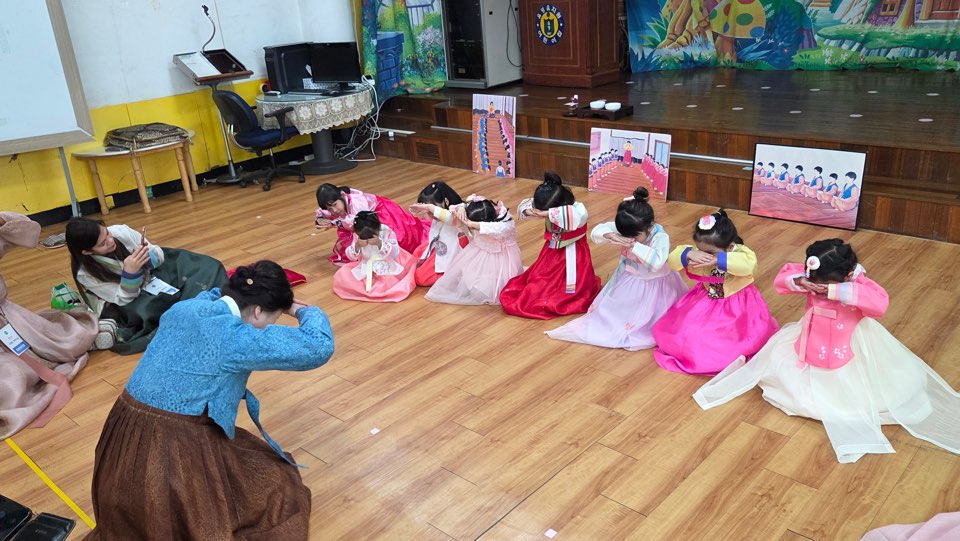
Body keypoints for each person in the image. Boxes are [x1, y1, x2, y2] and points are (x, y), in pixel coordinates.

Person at [86, 261, 335, 540]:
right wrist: (303, 310)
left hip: (122, 432)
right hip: (169, 447)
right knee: (268, 488)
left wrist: (253, 294)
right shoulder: (235, 338)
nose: (271, 325)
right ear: (257, 311)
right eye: (273, 318)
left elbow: (214, 294)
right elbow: (318, 346)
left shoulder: (185, 308)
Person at [693, 239, 960, 463]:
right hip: (811, 335)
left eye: (826, 284)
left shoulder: (858, 284)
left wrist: (840, 291)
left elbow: (879, 304)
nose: (819, 289)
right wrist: (800, 281)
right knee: (787, 363)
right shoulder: (810, 275)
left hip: (850, 341)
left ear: (847, 275)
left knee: (855, 381)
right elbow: (782, 279)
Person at [546, 188, 687, 350]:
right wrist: (610, 235)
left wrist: (634, 246)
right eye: (625, 235)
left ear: (649, 226)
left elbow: (657, 263)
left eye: (634, 236)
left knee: (650, 315)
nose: (629, 238)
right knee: (615, 312)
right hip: (629, 279)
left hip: (655, 284)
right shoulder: (630, 226)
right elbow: (597, 232)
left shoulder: (659, 236)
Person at [0, 213, 100, 440]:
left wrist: (2, 221)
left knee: (68, 343)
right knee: (12, 380)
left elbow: (29, 233)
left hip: (11, 321)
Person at [65, 217, 227, 354]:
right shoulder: (85, 273)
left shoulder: (120, 231)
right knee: (148, 309)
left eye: (107, 233)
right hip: (131, 295)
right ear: (87, 252)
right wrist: (130, 274)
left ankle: (190, 309)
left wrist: (147, 256)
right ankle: (193, 308)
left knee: (208, 266)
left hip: (154, 272)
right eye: (102, 244)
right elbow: (122, 298)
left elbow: (158, 254)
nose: (110, 240)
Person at [651, 209, 778, 375]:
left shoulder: (741, 253)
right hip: (705, 299)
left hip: (737, 305)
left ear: (730, 246)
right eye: (700, 249)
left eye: (709, 252)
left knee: (724, 341)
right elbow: (673, 261)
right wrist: (690, 253)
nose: (703, 255)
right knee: (687, 331)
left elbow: (748, 266)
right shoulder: (702, 250)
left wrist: (719, 260)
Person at [499, 172, 601, 319]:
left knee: (572, 281)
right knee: (543, 276)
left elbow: (574, 218)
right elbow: (524, 207)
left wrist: (547, 214)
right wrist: (532, 211)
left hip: (573, 251)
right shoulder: (552, 199)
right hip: (551, 249)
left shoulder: (578, 210)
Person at [424, 196, 523, 305]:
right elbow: (451, 212)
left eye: (474, 228)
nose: (472, 230)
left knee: (492, 286)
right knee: (471, 279)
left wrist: (473, 224)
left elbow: (498, 228)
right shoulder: (476, 210)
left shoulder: (506, 224)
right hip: (481, 252)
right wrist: (461, 208)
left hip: (503, 258)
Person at [315, 183, 429, 266]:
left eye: (335, 205)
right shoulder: (338, 199)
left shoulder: (357, 202)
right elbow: (325, 212)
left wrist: (334, 223)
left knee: (401, 238)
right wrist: (320, 219)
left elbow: (354, 223)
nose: (334, 210)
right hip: (363, 220)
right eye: (330, 208)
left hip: (380, 215)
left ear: (342, 195)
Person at [332, 211, 416, 302]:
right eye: (363, 236)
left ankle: (382, 290)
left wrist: (380, 244)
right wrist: (357, 246)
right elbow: (351, 257)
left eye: (371, 236)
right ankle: (367, 289)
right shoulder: (356, 235)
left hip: (386, 262)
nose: (367, 238)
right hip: (366, 264)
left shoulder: (385, 231)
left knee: (388, 280)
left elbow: (395, 251)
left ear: (378, 228)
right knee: (344, 274)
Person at [409, 182, 469, 287]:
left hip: (455, 254)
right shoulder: (438, 214)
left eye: (432, 210)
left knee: (421, 277)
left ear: (446, 201)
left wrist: (430, 207)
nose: (431, 214)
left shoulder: (458, 211)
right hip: (440, 247)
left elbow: (450, 218)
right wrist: (419, 211)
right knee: (415, 261)